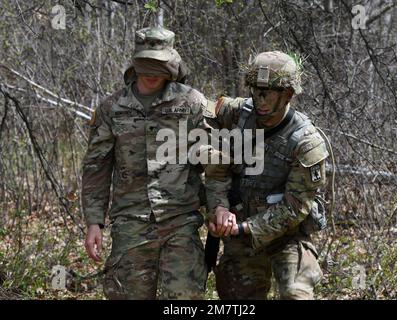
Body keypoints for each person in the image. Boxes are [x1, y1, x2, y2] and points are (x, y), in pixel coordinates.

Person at [81, 27, 228, 300]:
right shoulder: (112, 108)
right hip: (130, 223)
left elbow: (215, 165)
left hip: (180, 222)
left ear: (172, 63)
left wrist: (219, 206)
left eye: (158, 65)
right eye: (145, 64)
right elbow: (96, 168)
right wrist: (94, 222)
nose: (151, 73)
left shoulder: (192, 104)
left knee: (185, 299)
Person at [205, 51, 329, 300]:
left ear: (288, 95)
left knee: (297, 293)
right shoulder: (237, 113)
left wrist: (243, 228)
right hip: (239, 235)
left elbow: (294, 208)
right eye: (256, 91)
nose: (260, 100)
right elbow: (196, 113)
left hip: (287, 236)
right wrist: (218, 208)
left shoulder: (306, 141)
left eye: (268, 93)